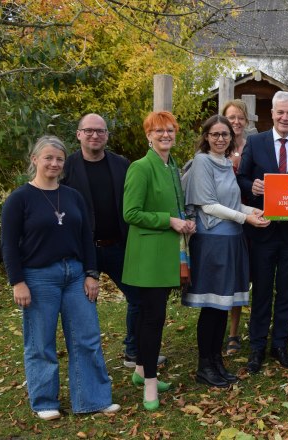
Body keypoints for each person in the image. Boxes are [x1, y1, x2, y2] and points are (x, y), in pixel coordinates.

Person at [1, 135, 120, 420]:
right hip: (38, 277)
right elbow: (8, 244)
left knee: (87, 338)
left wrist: (91, 274)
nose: (54, 163)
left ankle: (92, 399)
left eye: (59, 159)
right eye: (48, 158)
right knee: (40, 342)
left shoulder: (71, 196)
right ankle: (44, 402)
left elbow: (86, 237)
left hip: (75, 275)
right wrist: (17, 281)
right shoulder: (20, 199)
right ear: (35, 160)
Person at [61, 113, 167, 369]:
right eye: (89, 131)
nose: (95, 135)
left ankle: (134, 351)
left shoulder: (121, 164)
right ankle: (87, 361)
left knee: (139, 299)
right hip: (85, 250)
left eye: (100, 131)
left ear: (107, 135)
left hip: (120, 245)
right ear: (79, 134)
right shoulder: (67, 167)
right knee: (85, 307)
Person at [182, 115, 270, 387]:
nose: (221, 139)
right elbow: (208, 206)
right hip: (212, 243)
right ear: (206, 136)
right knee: (211, 307)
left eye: (225, 134)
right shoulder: (201, 162)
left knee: (222, 307)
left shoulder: (227, 163)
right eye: (215, 134)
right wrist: (246, 218)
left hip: (232, 240)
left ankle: (216, 362)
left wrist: (252, 210)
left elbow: (232, 203)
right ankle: (204, 365)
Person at [236, 91, 288, 374]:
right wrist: (252, 187)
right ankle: (257, 346)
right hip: (263, 230)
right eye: (280, 112)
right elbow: (241, 178)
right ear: (272, 114)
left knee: (286, 291)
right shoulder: (255, 142)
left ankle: (280, 344)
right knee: (261, 291)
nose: (285, 118)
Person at [122, 111, 196, 410]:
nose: (165, 135)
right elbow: (131, 213)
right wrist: (169, 221)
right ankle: (150, 386)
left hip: (168, 253)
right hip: (148, 257)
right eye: (158, 131)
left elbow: (175, 206)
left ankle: (141, 371)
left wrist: (184, 221)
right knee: (152, 319)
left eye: (170, 130)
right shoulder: (141, 168)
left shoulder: (172, 165)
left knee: (151, 315)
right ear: (148, 136)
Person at [221, 99, 251, 354]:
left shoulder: (254, 146)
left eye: (241, 117)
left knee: (242, 275)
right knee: (227, 276)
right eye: (232, 117)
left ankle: (235, 330)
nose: (236, 122)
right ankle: (225, 330)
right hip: (223, 220)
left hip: (251, 217)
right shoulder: (217, 146)